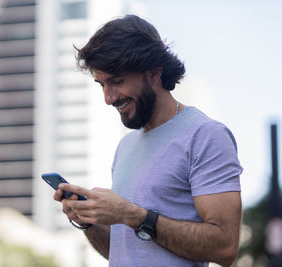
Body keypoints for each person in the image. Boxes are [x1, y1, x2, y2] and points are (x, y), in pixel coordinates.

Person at [53, 14, 243, 267]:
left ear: (154, 73)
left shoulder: (205, 135)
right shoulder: (126, 146)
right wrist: (88, 222)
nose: (108, 98)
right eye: (101, 84)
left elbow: (225, 247)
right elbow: (125, 252)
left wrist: (131, 214)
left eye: (117, 81)